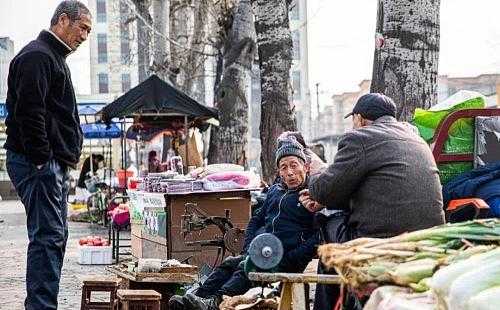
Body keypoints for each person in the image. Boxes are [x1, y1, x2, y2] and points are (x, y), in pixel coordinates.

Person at [300, 93, 445, 310]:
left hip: (381, 241)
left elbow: (324, 190)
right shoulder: (416, 138)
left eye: (353, 120)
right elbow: (381, 189)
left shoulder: (360, 138)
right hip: (429, 239)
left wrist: (315, 174)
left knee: (328, 236)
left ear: (360, 118)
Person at [4, 1, 92, 309]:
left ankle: (42, 305)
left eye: (89, 31)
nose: (85, 36)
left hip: (46, 164)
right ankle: (41, 307)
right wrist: (42, 159)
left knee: (52, 237)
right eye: (83, 28)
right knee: (48, 239)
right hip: (37, 164)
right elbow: (30, 112)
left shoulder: (50, 56)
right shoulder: (38, 56)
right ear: (63, 20)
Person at [169, 138, 320, 310]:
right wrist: (249, 247)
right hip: (263, 253)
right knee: (230, 263)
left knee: (246, 266)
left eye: (294, 165)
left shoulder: (312, 195)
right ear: (279, 172)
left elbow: (317, 237)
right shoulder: (275, 191)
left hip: (288, 258)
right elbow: (256, 220)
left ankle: (216, 303)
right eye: (284, 167)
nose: (290, 172)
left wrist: (292, 257)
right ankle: (197, 298)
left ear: (305, 167)